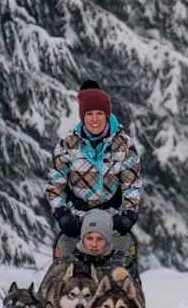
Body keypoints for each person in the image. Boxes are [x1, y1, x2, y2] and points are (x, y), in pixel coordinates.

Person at [46, 80, 143, 263]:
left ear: (107, 115)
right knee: (63, 270)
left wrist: (128, 214)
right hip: (77, 220)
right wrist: (61, 213)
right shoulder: (68, 144)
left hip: (112, 219)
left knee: (124, 268)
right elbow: (55, 183)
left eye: (99, 113)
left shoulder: (124, 145)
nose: (95, 119)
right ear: (83, 116)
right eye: (89, 114)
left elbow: (132, 184)